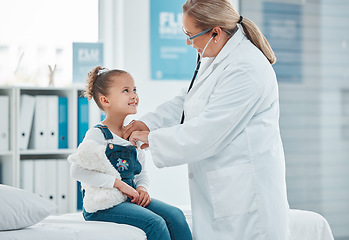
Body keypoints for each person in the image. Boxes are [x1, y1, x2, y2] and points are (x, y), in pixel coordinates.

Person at [123, 0, 290, 239]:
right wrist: (149, 123)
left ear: (215, 32)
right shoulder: (217, 56)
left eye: (191, 35)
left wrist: (154, 139)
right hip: (225, 194)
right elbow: (188, 100)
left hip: (246, 201)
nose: (189, 43)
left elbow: (208, 132)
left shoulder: (246, 68)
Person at [68, 66, 192, 240]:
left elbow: (141, 172)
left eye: (134, 89)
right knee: (154, 223)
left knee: (176, 215)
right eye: (126, 91)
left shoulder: (134, 136)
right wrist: (119, 184)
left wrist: (141, 188)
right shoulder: (97, 134)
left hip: (128, 200)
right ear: (105, 100)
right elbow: (77, 170)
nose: (134, 95)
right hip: (103, 204)